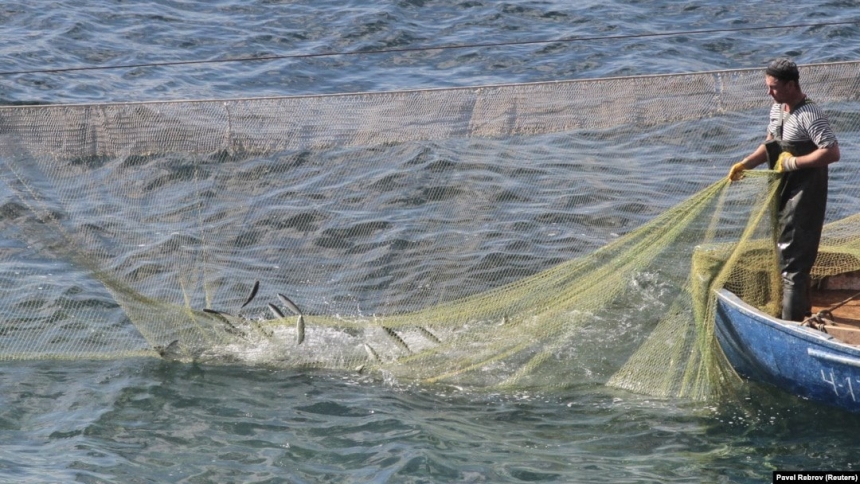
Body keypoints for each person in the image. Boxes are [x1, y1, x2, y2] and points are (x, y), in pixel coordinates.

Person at [727, 58, 840, 321]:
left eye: (774, 87)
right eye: (767, 86)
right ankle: (805, 314)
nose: (769, 92)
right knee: (787, 255)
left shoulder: (809, 114)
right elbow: (770, 145)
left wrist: (793, 162)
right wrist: (745, 164)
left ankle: (791, 326)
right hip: (782, 191)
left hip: (805, 193)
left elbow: (832, 152)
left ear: (791, 85)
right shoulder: (778, 109)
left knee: (793, 263)